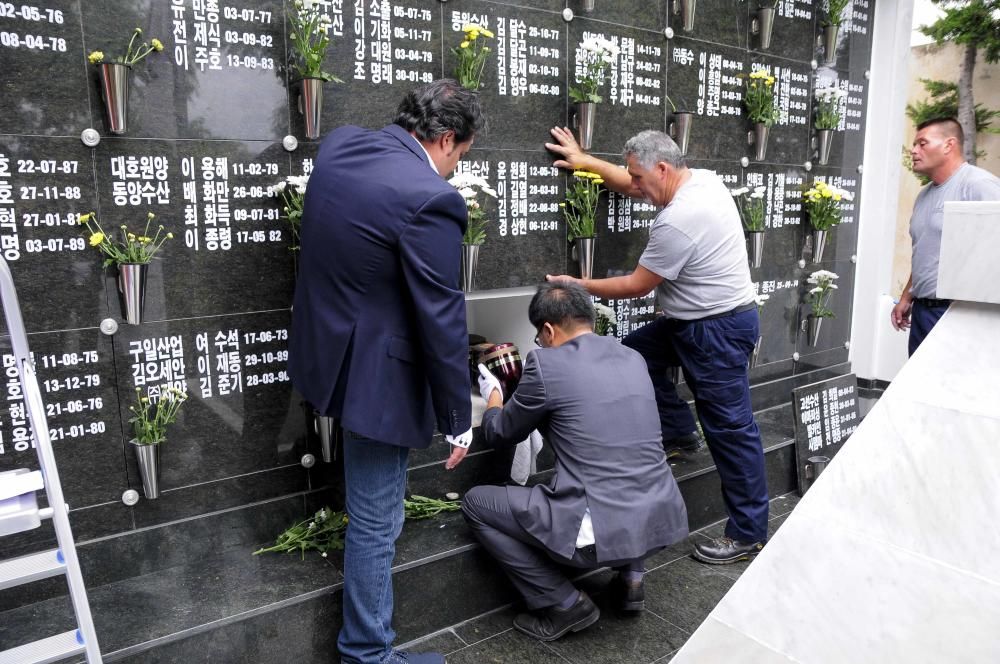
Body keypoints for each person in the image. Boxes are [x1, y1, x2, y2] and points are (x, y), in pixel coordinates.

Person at [288, 79, 485, 664]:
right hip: (377, 377)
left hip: (326, 351)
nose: (453, 173)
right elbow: (441, 314)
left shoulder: (341, 145)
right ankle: (367, 655)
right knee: (377, 520)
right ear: (447, 140)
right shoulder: (431, 198)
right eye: (459, 158)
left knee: (372, 511)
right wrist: (458, 416)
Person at [545, 127, 769, 564]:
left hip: (714, 332)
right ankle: (681, 435)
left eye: (639, 178)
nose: (636, 189)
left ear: (662, 168)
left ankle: (748, 532)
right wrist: (585, 160)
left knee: (730, 430)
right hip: (698, 323)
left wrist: (577, 286)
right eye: (632, 177)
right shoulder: (700, 179)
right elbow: (631, 180)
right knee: (635, 355)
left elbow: (634, 285)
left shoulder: (679, 219)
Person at [462, 281, 689, 641]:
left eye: (539, 337)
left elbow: (501, 432)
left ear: (549, 330)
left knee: (477, 503)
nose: (540, 343)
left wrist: (493, 396)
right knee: (623, 466)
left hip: (597, 530)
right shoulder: (633, 357)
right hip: (662, 518)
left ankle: (565, 604)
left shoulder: (546, 364)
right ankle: (632, 581)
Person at [892, 117, 1000, 354]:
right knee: (922, 387)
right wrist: (906, 296)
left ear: (949, 145)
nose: (913, 150)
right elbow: (926, 250)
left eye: (922, 143)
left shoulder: (978, 185)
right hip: (923, 313)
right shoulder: (923, 196)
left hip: (960, 315)